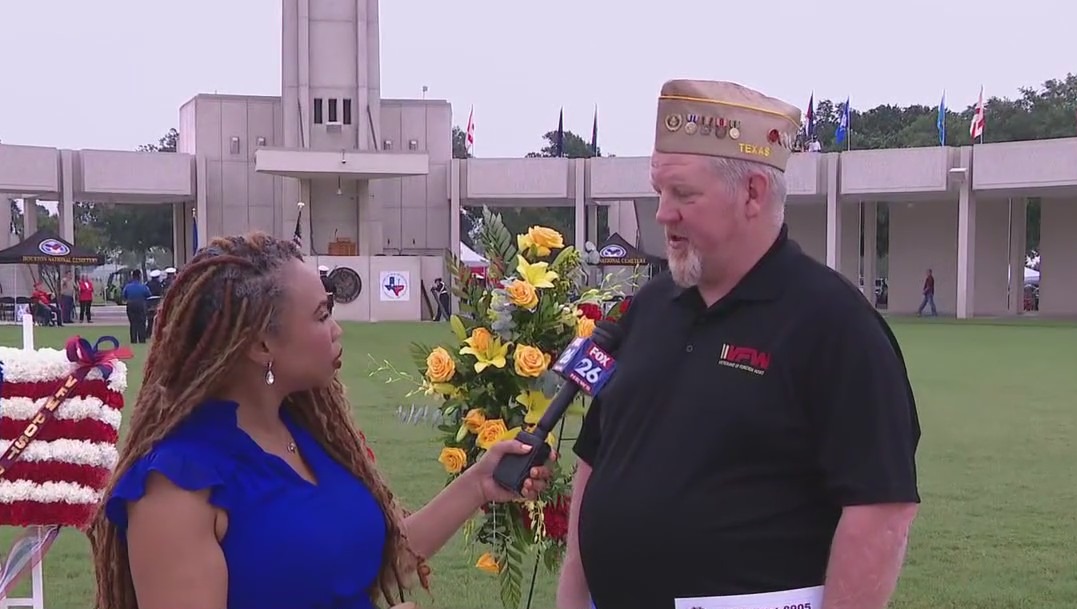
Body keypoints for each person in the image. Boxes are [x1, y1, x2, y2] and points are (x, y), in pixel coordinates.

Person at [556, 80, 921, 609]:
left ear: (752, 193)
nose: (662, 213)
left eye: (683, 194)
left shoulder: (835, 324)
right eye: (659, 190)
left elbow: (879, 511)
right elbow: (596, 462)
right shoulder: (648, 308)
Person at [89, 232, 553, 609]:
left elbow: (367, 562)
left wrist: (477, 484)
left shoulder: (305, 439)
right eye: (321, 315)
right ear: (260, 345)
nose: (336, 329)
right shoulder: (175, 484)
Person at [122, 269, 152, 344]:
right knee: (141, 323)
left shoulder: (128, 287)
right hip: (140, 305)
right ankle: (142, 339)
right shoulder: (143, 286)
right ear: (140, 276)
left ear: (132, 276)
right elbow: (148, 295)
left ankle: (133, 340)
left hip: (130, 304)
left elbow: (124, 295)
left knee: (133, 323)